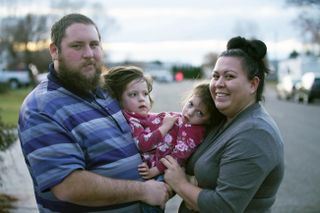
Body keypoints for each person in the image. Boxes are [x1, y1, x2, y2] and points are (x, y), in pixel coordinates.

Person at [17, 13, 170, 213]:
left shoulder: (107, 91)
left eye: (94, 44)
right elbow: (69, 186)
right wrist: (143, 191)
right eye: (77, 46)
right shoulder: (41, 108)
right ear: (55, 51)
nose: (89, 53)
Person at [161, 36, 285, 212]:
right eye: (215, 76)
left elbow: (224, 207)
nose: (219, 84)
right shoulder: (222, 118)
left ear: (253, 84)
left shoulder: (255, 134)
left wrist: (180, 184)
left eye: (229, 76)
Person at [103, 66, 224, 182]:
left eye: (200, 113)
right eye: (191, 104)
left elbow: (178, 156)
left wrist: (156, 170)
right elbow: (153, 119)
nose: (190, 112)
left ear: (209, 120)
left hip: (157, 168)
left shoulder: (194, 132)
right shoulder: (180, 118)